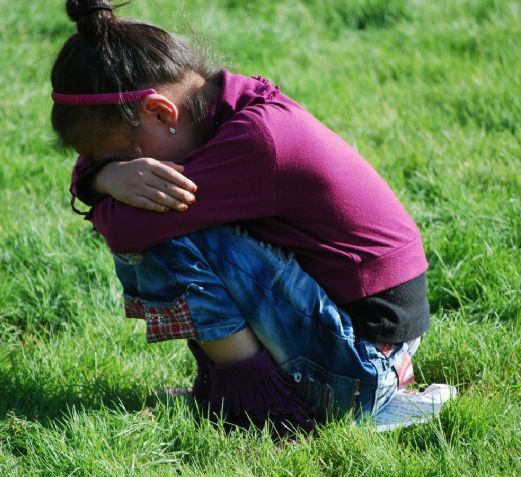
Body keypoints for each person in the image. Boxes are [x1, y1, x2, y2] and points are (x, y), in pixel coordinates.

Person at [51, 0, 430, 437]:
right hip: (365, 344)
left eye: (112, 154)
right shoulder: (227, 106)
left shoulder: (257, 142)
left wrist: (99, 182)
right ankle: (240, 388)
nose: (115, 169)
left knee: (164, 230)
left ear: (160, 113)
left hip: (362, 366)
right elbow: (104, 197)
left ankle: (263, 405)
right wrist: (107, 174)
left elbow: (126, 230)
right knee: (166, 214)